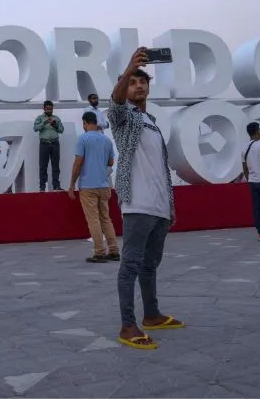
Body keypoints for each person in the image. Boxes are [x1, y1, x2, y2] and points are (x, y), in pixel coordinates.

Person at [108, 48, 183, 351]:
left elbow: (160, 168)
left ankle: (151, 315)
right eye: (132, 82)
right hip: (137, 203)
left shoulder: (150, 121)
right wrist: (128, 67)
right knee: (131, 265)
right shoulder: (123, 117)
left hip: (159, 206)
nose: (139, 86)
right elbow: (114, 103)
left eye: (143, 82)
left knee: (150, 266)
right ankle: (128, 324)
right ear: (125, 86)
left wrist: (170, 207)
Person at [69, 111, 118, 263]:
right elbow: (110, 163)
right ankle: (114, 250)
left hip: (88, 186)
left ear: (85, 123)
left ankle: (99, 252)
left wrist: (71, 184)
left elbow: (78, 163)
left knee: (93, 220)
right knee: (105, 218)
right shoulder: (106, 140)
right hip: (104, 185)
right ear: (96, 122)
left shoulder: (82, 139)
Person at [33, 100, 64, 192]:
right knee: (43, 166)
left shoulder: (56, 118)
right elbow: (35, 128)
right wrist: (45, 122)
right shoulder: (39, 118)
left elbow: (61, 130)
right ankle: (42, 188)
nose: (49, 111)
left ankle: (56, 186)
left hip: (55, 143)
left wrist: (55, 126)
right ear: (44, 108)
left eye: (51, 109)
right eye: (47, 109)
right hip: (44, 144)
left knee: (56, 165)